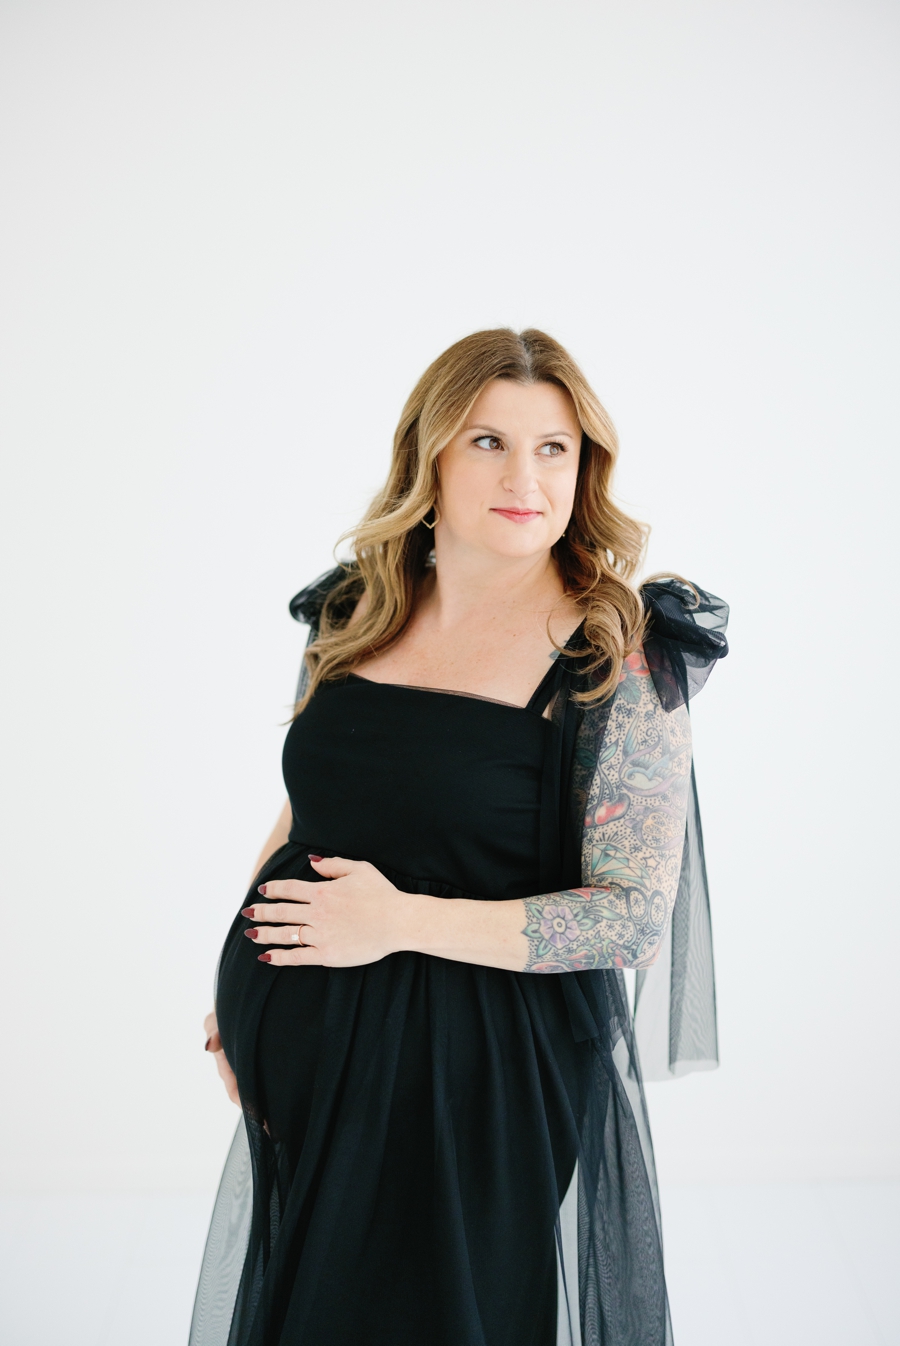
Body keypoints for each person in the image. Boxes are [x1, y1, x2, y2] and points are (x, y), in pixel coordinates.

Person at [191, 328, 728, 1346]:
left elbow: (628, 919)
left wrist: (399, 921)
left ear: (585, 467)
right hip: (309, 1063)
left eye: (553, 448)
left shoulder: (616, 654)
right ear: (429, 456)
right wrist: (244, 980)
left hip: (484, 1076)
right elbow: (310, 809)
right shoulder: (353, 611)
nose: (525, 476)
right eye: (488, 441)